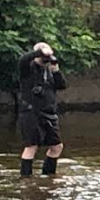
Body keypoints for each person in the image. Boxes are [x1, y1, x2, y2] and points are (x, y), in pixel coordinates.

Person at [17, 42, 67, 177]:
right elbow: (23, 59)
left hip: (49, 114)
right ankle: (26, 179)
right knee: (31, 146)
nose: (45, 61)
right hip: (31, 113)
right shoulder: (28, 69)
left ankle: (48, 176)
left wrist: (55, 68)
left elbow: (62, 85)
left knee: (57, 147)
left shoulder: (50, 71)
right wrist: (41, 53)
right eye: (43, 58)